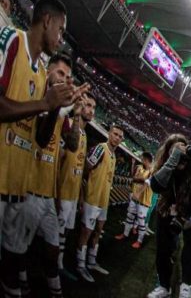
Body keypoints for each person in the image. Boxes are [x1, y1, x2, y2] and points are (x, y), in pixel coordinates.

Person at [0, 0, 78, 296]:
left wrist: (55, 107)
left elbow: (41, 139)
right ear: (47, 21)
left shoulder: (38, 71)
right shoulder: (12, 41)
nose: (60, 38)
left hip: (17, 193)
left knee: (10, 279)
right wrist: (44, 102)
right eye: (60, 30)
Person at [20, 53, 86, 298]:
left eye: (68, 77)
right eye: (60, 74)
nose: (65, 81)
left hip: (47, 194)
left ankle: (53, 290)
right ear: (47, 72)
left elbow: (72, 144)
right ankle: (21, 284)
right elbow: (41, 136)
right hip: (26, 189)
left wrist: (77, 113)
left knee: (51, 248)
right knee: (20, 249)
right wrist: (58, 110)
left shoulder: (61, 113)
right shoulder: (36, 97)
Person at [146, 134, 191, 298]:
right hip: (167, 209)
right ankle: (164, 286)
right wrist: (172, 160)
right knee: (163, 249)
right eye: (174, 152)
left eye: (181, 150)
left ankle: (186, 286)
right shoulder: (165, 166)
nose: (180, 156)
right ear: (168, 153)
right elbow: (156, 186)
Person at [75, 124, 124, 282]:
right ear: (109, 134)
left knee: (97, 231)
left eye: (120, 136)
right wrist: (83, 192)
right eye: (115, 134)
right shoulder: (100, 149)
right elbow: (86, 168)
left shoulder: (114, 155)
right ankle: (80, 265)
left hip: (103, 201)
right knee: (86, 232)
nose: (117, 137)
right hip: (92, 198)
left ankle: (91, 261)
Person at [58, 92, 95, 280]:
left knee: (64, 232)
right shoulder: (70, 126)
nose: (91, 110)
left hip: (73, 192)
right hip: (62, 190)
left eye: (93, 107)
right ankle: (52, 266)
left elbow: (80, 167)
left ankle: (58, 264)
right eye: (88, 105)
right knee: (55, 231)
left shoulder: (84, 134)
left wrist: (80, 195)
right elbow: (60, 158)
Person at [115, 151, 154, 248]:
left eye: (142, 159)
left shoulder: (153, 171)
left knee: (141, 221)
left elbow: (146, 183)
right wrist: (141, 180)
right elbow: (134, 178)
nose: (141, 160)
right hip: (135, 198)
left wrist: (140, 183)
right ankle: (125, 234)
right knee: (129, 216)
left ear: (146, 160)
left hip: (144, 200)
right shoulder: (140, 168)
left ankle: (139, 241)